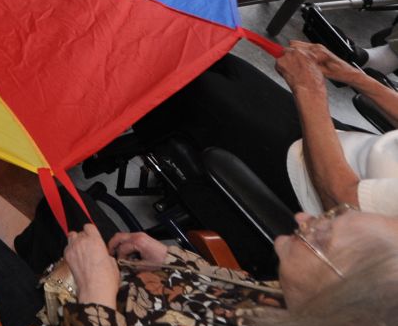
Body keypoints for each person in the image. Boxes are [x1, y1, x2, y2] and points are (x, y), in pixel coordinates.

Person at [0, 189, 398, 326]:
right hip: (121, 290)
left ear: (343, 296)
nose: (307, 218)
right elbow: (235, 284)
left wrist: (95, 289)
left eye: (325, 234)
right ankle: (39, 267)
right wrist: (174, 258)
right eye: (332, 214)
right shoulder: (310, 311)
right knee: (63, 194)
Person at [128, 42, 398, 222]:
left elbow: (343, 204)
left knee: (190, 85)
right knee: (223, 64)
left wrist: (309, 89)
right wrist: (354, 76)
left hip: (309, 188)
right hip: (345, 144)